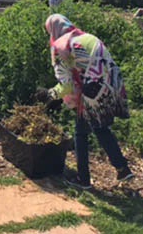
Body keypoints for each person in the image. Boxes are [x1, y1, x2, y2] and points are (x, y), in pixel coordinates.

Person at [35, 14, 133, 189]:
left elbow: (67, 85)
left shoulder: (60, 47)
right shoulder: (86, 37)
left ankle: (83, 178)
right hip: (113, 84)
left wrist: (50, 94)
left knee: (81, 133)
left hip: (93, 90)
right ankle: (122, 167)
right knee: (100, 127)